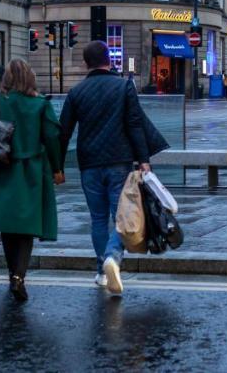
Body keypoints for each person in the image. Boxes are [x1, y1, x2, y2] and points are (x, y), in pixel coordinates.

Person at [59, 41, 166, 297]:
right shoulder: (123, 87)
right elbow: (134, 124)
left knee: (97, 219)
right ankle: (112, 258)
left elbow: (63, 132)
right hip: (119, 162)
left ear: (86, 63)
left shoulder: (76, 92)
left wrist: (57, 166)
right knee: (121, 216)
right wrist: (144, 159)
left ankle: (100, 271)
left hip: (89, 164)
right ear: (110, 60)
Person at [0, 59, 63, 303]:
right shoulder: (40, 104)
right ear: (30, 77)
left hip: (0, 169)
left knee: (8, 228)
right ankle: (19, 276)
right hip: (31, 172)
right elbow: (51, 137)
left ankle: (11, 275)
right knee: (25, 229)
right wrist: (57, 168)